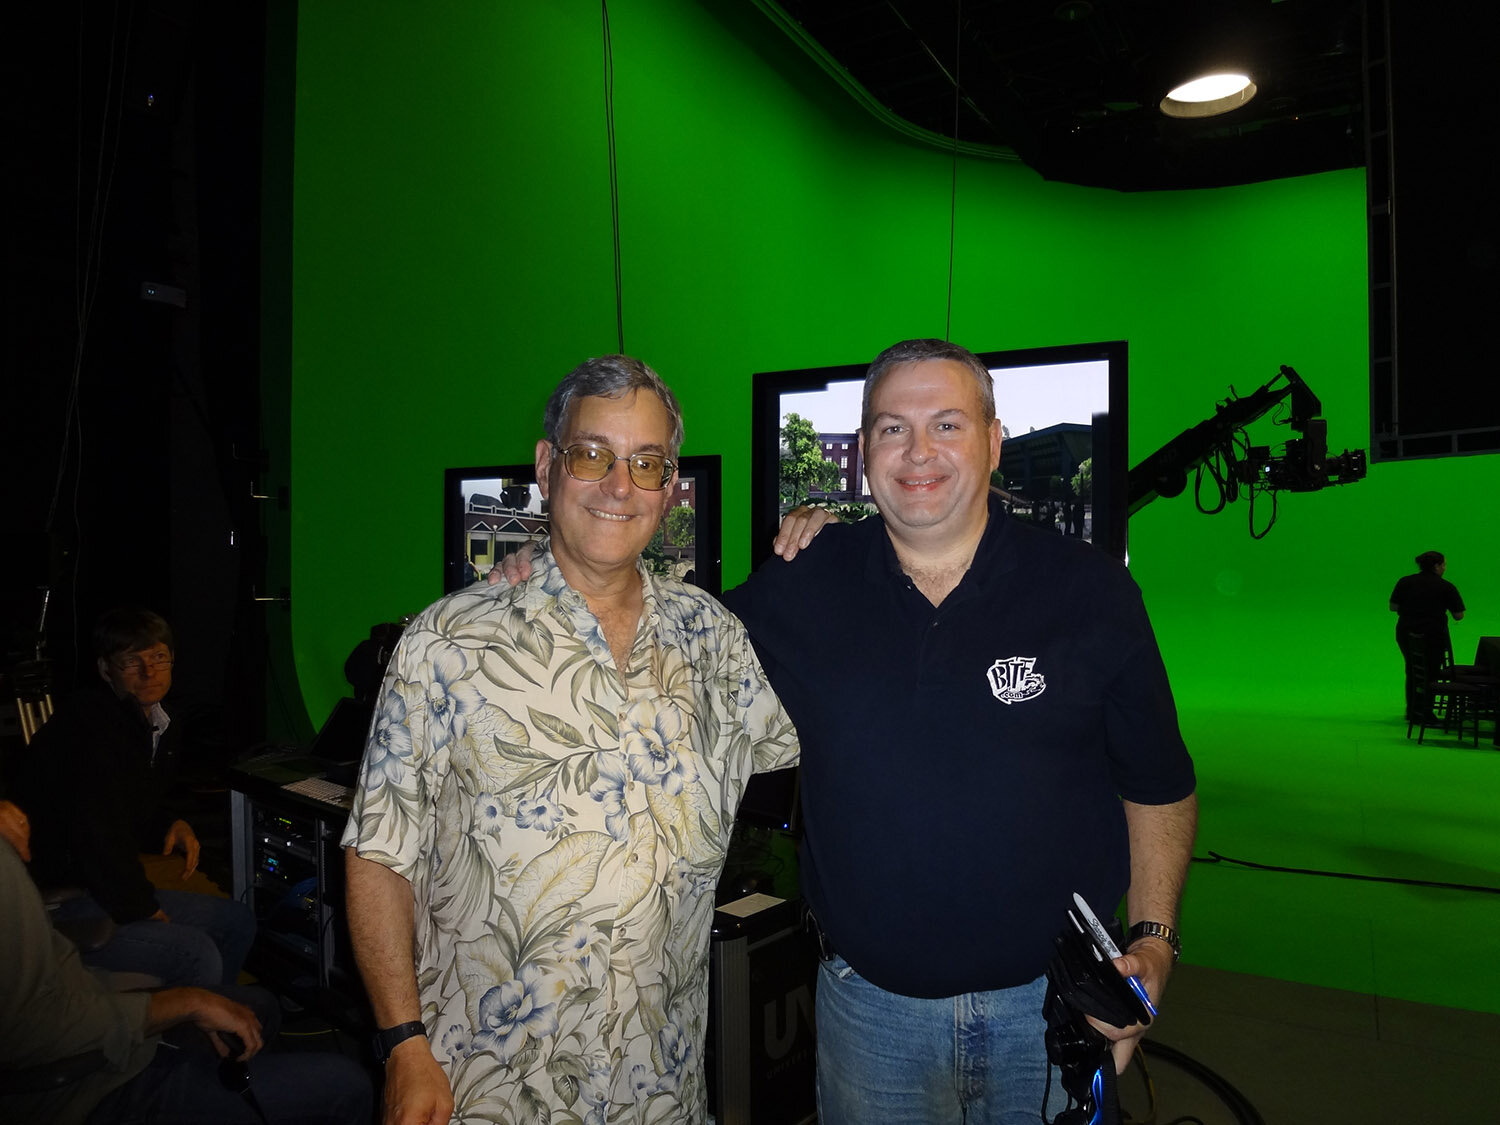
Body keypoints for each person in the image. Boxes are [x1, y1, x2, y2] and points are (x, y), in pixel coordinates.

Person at [496, 339, 1198, 1124]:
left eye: (947, 425)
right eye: (892, 429)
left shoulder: (1091, 592)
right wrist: (549, 565)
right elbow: (659, 624)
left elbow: (1159, 783)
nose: (919, 452)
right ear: (864, 451)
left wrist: (1156, 940)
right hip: (870, 1022)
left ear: (994, 441)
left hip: (1051, 1012)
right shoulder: (806, 582)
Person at [342, 355, 799, 1125]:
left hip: (662, 1091)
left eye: (647, 463)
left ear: (669, 483)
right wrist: (401, 1043)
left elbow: (819, 762)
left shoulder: (713, 639)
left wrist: (846, 550)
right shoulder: (446, 644)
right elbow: (378, 851)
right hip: (483, 1089)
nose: (620, 485)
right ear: (548, 465)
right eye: (593, 454)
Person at [0, 797, 373, 1125]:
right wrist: (187, 1002)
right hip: (81, 1087)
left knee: (260, 1005)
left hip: (92, 1003)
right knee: (348, 1086)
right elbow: (32, 1033)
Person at [13, 607, 256, 988]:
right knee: (196, 951)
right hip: (56, 896)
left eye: (158, 657)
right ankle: (187, 1033)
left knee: (237, 920)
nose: (149, 672)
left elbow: (123, 800)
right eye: (131, 662)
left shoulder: (155, 721)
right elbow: (95, 834)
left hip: (98, 881)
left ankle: (218, 1023)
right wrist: (144, 910)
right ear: (105, 669)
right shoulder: (90, 725)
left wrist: (166, 823)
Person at [1390, 550, 1466, 723]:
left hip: (1406, 632)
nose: (1445, 568)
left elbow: (1393, 607)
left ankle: (1413, 710)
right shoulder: (1446, 587)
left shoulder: (1405, 581)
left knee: (1413, 669)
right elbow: (1459, 615)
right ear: (1437, 566)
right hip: (1433, 636)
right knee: (1431, 673)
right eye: (1444, 564)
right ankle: (1425, 712)